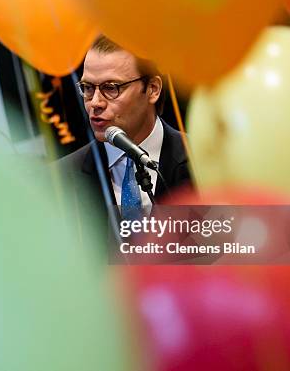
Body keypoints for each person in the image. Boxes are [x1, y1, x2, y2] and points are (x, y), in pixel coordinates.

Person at [56, 35, 191, 240]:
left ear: (153, 89)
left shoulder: (202, 158)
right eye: (88, 88)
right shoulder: (58, 180)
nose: (95, 103)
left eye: (111, 88)